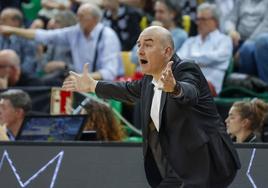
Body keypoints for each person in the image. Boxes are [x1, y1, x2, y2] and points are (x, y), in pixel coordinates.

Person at [63, 25, 240, 187]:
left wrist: (175, 88)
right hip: (175, 168)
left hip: (206, 163)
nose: (140, 50)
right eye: (138, 45)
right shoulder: (149, 79)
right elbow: (127, 89)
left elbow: (191, 92)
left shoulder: (185, 68)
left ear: (167, 51)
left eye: (148, 45)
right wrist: (93, 86)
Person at [0, 3, 123, 81]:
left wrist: (82, 78)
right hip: (80, 83)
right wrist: (13, 30)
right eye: (78, 15)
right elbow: (45, 35)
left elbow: (109, 72)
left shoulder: (107, 35)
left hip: (103, 87)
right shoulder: (75, 31)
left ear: (95, 19)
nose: (78, 19)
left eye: (82, 16)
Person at [177, 2, 232, 95]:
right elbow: (178, 59)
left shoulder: (224, 40)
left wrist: (190, 60)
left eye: (203, 19)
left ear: (215, 21)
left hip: (209, 86)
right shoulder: (190, 41)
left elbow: (216, 57)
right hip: (186, 82)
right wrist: (201, 63)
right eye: (198, 19)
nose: (199, 23)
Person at [0, 8, 37, 75]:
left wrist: (12, 75)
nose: (0, 23)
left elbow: (29, 64)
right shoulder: (1, 37)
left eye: (3, 20)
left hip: (21, 78)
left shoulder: (26, 39)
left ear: (16, 22)